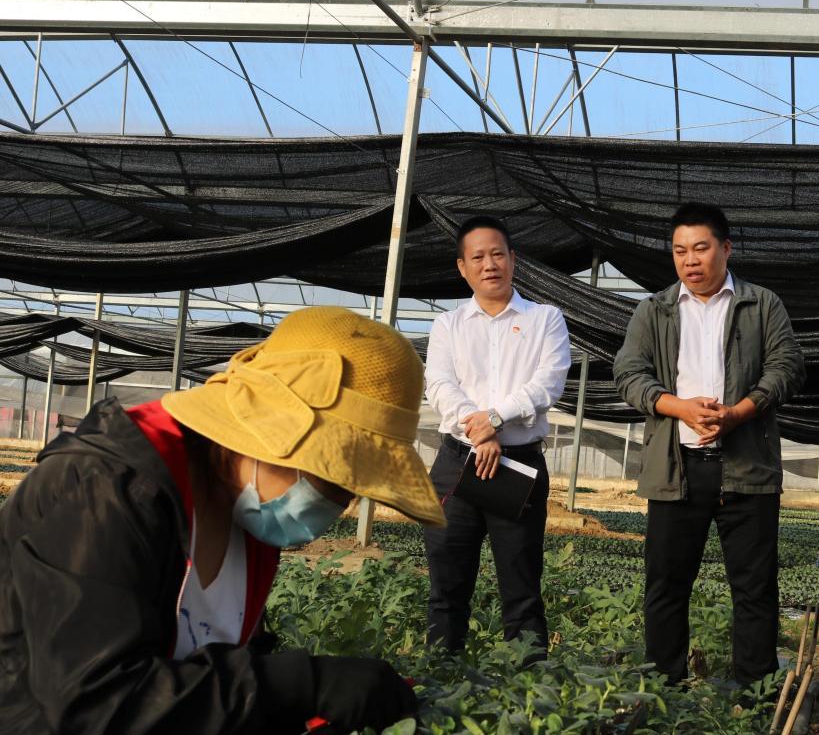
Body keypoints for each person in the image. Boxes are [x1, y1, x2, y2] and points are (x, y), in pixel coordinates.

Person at [0, 306, 443, 733]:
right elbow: (96, 703)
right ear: (266, 427)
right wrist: (301, 685)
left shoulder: (245, 512)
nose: (339, 502)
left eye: (353, 487)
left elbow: (215, 676)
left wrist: (298, 714)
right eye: (332, 474)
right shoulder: (104, 489)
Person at [613, 202, 805, 687]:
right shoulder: (654, 310)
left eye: (700, 248)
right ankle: (665, 686)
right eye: (680, 251)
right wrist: (679, 407)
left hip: (747, 467)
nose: (690, 260)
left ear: (726, 248)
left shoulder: (762, 304)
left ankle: (754, 690)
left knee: (754, 585)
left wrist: (739, 412)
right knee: (666, 584)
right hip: (677, 468)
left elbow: (786, 367)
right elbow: (628, 373)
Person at [422, 216, 571, 658]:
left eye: (497, 254)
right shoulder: (448, 325)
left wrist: (495, 419)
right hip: (456, 463)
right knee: (447, 584)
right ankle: (442, 674)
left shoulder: (545, 319)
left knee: (521, 585)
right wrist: (480, 430)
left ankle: (527, 682)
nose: (490, 265)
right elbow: (439, 385)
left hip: (518, 465)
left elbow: (548, 383)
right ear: (462, 267)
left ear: (512, 259)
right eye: (478, 257)